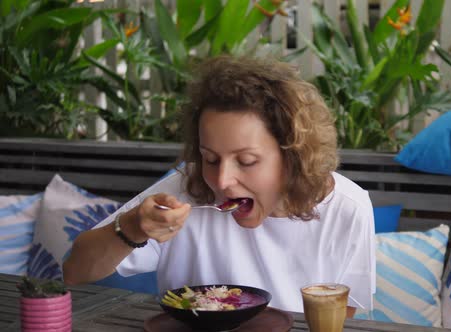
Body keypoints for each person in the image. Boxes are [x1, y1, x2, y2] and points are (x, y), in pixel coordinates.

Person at [63, 55, 376, 314]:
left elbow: (345, 310)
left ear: (293, 155)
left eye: (247, 161)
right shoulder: (183, 193)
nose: (222, 181)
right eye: (210, 159)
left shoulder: (347, 208)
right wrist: (132, 227)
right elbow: (75, 271)